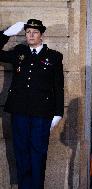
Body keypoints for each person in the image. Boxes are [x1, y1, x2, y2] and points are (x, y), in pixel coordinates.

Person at [0, 19, 64, 189]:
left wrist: (58, 113)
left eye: (34, 32)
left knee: (38, 154)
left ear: (41, 35)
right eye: (28, 32)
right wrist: (5, 34)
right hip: (19, 112)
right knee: (21, 153)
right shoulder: (19, 52)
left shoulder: (54, 56)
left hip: (42, 114)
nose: (30, 35)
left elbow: (58, 86)